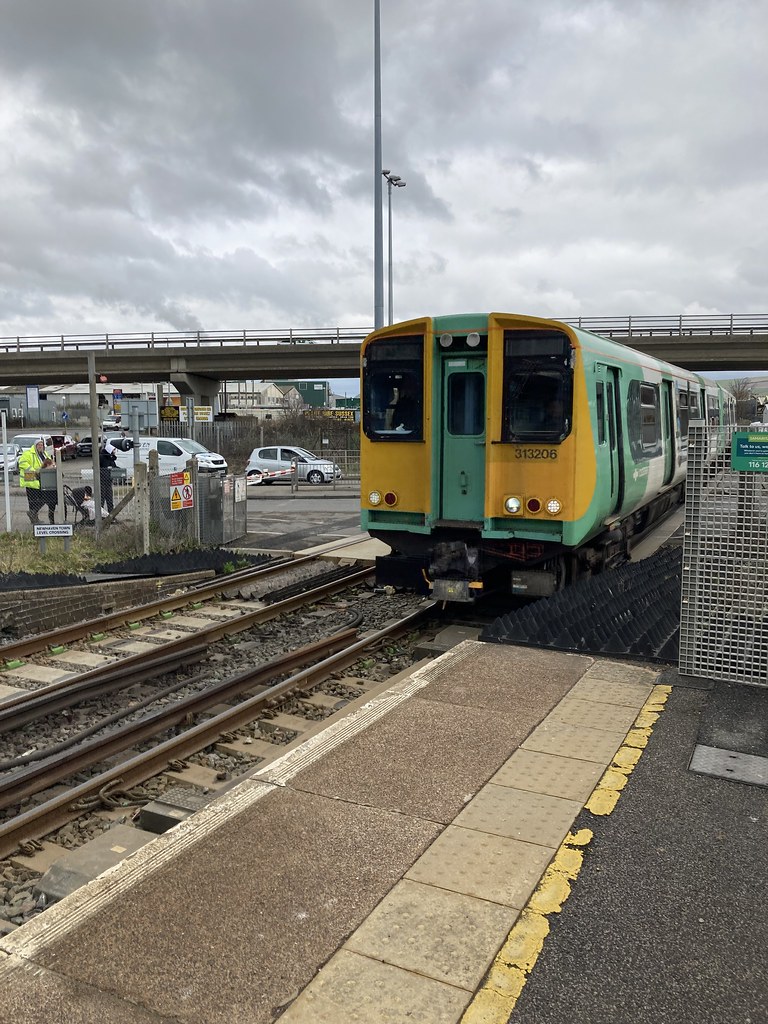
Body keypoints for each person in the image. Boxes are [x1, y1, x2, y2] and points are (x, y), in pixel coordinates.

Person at [18, 439, 57, 524]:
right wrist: (34, 470)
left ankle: (33, 515)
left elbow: (48, 463)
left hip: (41, 480)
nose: (40, 446)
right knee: (33, 501)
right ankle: (34, 518)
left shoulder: (44, 453)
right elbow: (22, 463)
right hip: (31, 479)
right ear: (35, 446)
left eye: (42, 445)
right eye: (39, 445)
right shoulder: (28, 454)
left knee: (40, 499)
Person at [98, 440, 118, 515]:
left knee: (110, 500)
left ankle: (111, 515)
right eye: (113, 450)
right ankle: (101, 515)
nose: (114, 452)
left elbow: (114, 466)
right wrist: (104, 471)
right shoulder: (101, 457)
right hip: (102, 481)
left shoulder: (110, 458)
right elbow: (97, 467)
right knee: (102, 500)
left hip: (109, 481)